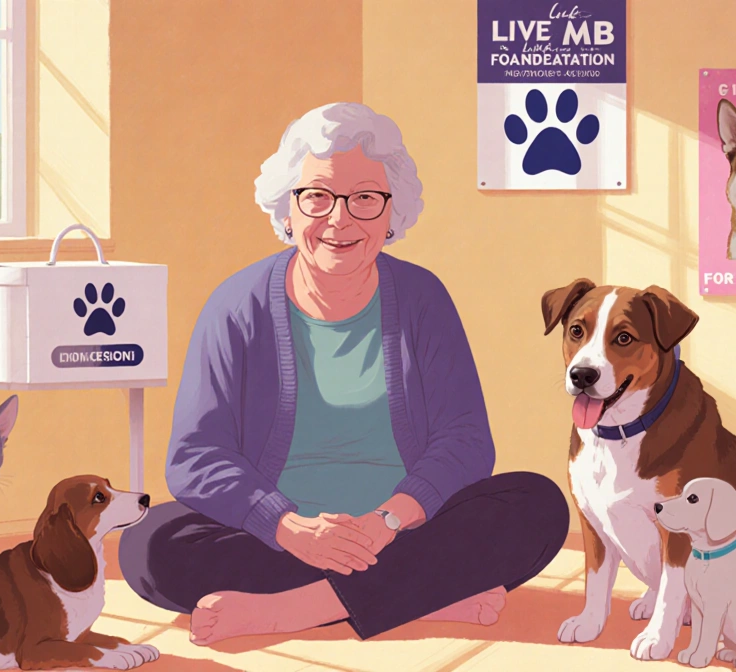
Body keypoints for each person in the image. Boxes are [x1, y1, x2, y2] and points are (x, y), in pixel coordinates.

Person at [119, 102, 570, 646]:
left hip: (403, 530)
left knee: (537, 505)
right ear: (287, 209)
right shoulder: (236, 305)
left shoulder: (422, 297)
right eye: (317, 196)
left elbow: (466, 441)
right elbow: (195, 457)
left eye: (365, 198)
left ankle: (295, 610)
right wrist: (289, 527)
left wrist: (385, 522)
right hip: (281, 539)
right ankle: (424, 594)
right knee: (146, 543)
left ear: (392, 212)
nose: (340, 219)